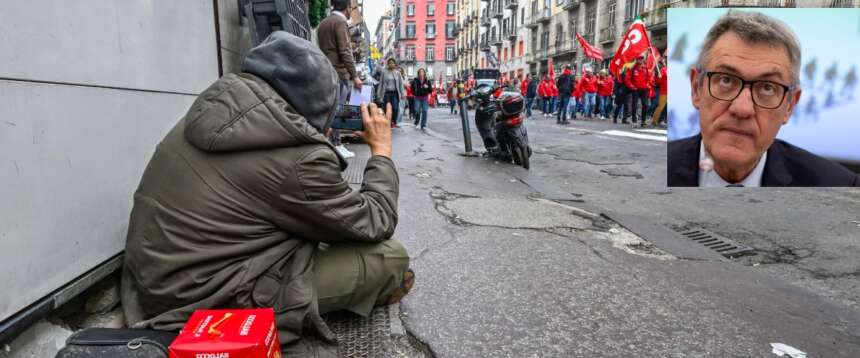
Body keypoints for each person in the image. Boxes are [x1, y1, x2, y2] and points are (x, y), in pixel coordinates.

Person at [121, 32, 414, 357]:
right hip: (206, 302)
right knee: (390, 258)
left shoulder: (217, 105)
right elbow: (375, 220)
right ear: (315, 104)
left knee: (319, 227)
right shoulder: (299, 157)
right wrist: (381, 152)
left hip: (150, 282)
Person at [667, 11, 859, 187]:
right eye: (726, 80)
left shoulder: (841, 185)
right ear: (696, 89)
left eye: (767, 87)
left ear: (790, 106)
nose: (742, 109)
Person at [316, 0, 361, 158]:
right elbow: (345, 51)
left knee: (329, 110)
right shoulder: (340, 22)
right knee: (338, 110)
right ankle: (336, 144)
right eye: (351, 8)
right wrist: (355, 76)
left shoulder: (323, 23)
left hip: (325, 71)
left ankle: (327, 143)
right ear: (347, 8)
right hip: (339, 74)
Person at [373, 58, 406, 128]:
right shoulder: (384, 72)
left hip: (395, 93)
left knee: (395, 108)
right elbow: (381, 84)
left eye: (392, 63)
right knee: (386, 108)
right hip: (386, 93)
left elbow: (401, 84)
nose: (391, 64)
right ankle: (388, 122)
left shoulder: (398, 73)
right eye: (390, 63)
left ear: (395, 64)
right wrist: (378, 94)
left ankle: (393, 121)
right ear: (388, 64)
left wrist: (403, 94)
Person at [624, 57, 651, 127]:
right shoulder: (632, 68)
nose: (641, 60)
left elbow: (649, 78)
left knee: (645, 105)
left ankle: (643, 121)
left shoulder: (645, 68)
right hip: (635, 90)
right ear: (636, 60)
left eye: (642, 59)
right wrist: (632, 87)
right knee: (634, 105)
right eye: (639, 59)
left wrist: (647, 85)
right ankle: (634, 121)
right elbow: (627, 79)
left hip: (644, 89)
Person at [651, 58, 668, 126]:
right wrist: (659, 77)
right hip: (664, 92)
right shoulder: (663, 70)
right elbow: (658, 82)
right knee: (660, 107)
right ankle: (654, 121)